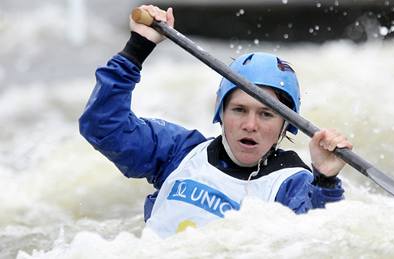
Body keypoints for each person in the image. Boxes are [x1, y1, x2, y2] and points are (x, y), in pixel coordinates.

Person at [79, 5, 353, 238]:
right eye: (239, 110)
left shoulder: (291, 183)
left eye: (266, 114)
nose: (250, 125)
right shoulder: (178, 152)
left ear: (286, 124)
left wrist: (326, 181)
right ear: (221, 112)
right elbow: (102, 124)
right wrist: (138, 47)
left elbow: (322, 237)